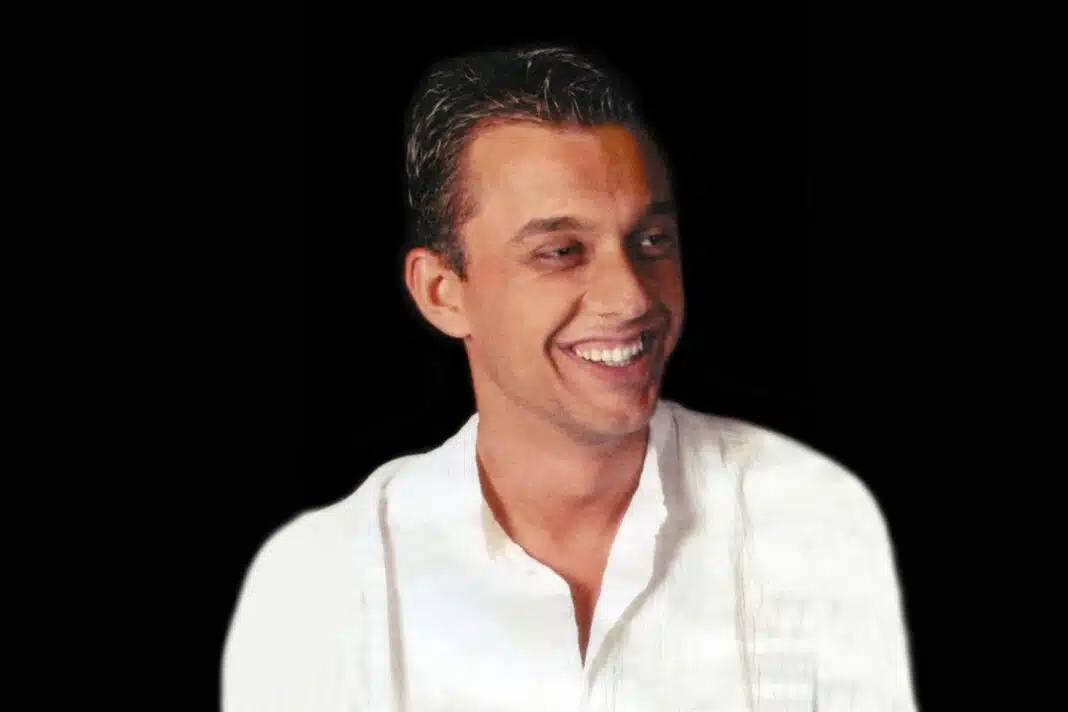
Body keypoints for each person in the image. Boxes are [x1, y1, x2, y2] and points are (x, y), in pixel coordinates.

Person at [222, 45, 919, 711]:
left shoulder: (808, 521)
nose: (631, 297)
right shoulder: (321, 583)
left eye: (651, 241)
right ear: (442, 292)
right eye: (560, 251)